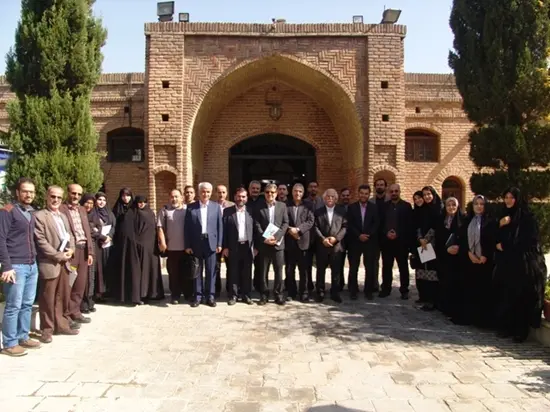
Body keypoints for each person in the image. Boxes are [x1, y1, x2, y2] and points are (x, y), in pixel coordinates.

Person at [493, 188, 547, 342]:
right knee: (507, 295)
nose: (508, 200)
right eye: (506, 197)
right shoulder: (503, 215)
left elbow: (529, 240)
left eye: (511, 197)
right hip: (506, 263)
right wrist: (499, 226)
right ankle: (507, 327)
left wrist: (506, 245)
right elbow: (492, 235)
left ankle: (520, 331)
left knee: (521, 296)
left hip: (523, 264)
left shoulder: (527, 218)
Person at [0, 178, 41, 356]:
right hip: (15, 266)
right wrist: (6, 266)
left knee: (26, 304)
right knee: (13, 306)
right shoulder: (8, 211)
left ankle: (22, 336)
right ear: (17, 192)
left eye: (31, 191)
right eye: (25, 191)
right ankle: (9, 343)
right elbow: (1, 239)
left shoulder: (31, 212)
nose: (29, 194)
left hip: (31, 265)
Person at [34, 186, 78, 343]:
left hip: (65, 263)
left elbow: (70, 235)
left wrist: (71, 249)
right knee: (47, 298)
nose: (56, 200)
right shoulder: (40, 216)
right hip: (50, 263)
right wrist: (59, 256)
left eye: (59, 197)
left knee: (62, 296)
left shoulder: (63, 216)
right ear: (47, 196)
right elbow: (41, 241)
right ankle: (47, 329)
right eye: (53, 196)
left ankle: (62, 325)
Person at [458, 195, 496, 326]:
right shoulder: (467, 220)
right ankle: (470, 317)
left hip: (485, 261)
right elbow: (462, 239)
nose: (479, 206)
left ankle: (482, 320)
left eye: (482, 204)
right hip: (470, 260)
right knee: (470, 289)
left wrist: (485, 255)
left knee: (483, 291)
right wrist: (469, 253)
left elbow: (492, 240)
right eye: (476, 204)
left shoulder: (490, 222)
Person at [119, 196, 164, 305]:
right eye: (139, 202)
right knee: (136, 271)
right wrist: (135, 242)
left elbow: (153, 230)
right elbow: (127, 230)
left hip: (149, 248)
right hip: (134, 247)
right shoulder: (130, 213)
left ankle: (151, 294)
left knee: (149, 269)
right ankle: (137, 296)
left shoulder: (150, 213)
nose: (141, 204)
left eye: (143, 202)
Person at [60, 184, 94, 325]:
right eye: (73, 193)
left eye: (79, 194)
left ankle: (75, 311)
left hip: (84, 250)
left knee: (80, 284)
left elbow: (87, 231)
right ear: (68, 193)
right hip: (71, 251)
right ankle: (65, 314)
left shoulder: (82, 209)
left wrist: (90, 252)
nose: (76, 196)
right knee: (69, 284)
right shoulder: (61, 209)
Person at [185, 182, 223, 307]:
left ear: (211, 193)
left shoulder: (216, 207)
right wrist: (187, 245)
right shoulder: (191, 207)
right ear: (199, 192)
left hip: (211, 243)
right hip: (196, 243)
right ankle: (198, 296)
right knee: (197, 270)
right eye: (203, 191)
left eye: (208, 192)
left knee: (211, 271)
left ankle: (210, 296)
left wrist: (219, 243)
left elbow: (220, 226)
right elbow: (187, 228)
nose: (205, 194)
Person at [253, 183, 289, 305]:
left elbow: (285, 223)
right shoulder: (259, 207)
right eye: (267, 192)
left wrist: (277, 237)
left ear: (276, 193)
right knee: (263, 271)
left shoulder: (282, 206)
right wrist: (265, 237)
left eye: (272, 192)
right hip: (264, 244)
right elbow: (257, 223)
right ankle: (264, 294)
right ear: (264, 193)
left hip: (278, 244)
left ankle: (278, 294)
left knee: (279, 271)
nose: (270, 194)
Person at [380, 184, 413, 300]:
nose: (394, 193)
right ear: (389, 193)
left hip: (401, 242)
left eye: (396, 191)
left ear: (399, 192)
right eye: (392, 191)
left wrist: (397, 233)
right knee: (386, 267)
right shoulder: (384, 206)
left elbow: (409, 224)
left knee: (403, 267)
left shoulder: (406, 206)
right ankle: (386, 289)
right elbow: (380, 223)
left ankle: (404, 290)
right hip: (387, 242)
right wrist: (386, 233)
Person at [222, 187, 255, 305]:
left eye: (243, 196)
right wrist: (225, 247)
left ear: (247, 198)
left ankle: (246, 295)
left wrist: (255, 247)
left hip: (247, 246)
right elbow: (224, 230)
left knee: (247, 272)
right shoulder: (227, 211)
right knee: (233, 271)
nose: (241, 199)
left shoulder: (251, 211)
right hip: (233, 246)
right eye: (239, 196)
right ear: (235, 197)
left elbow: (255, 230)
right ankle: (233, 295)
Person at [314, 188, 347, 303]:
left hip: (336, 246)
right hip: (322, 245)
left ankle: (335, 292)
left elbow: (345, 227)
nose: (330, 198)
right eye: (328, 196)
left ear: (336, 199)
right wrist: (322, 239)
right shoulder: (318, 211)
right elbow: (315, 227)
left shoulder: (342, 211)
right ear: (324, 198)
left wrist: (336, 239)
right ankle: (320, 291)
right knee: (320, 270)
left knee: (336, 270)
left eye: (332, 197)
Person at [346, 185, 379, 300]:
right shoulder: (352, 207)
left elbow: (376, 223)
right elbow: (349, 224)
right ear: (358, 193)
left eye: (366, 193)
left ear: (369, 195)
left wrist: (367, 235)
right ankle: (353, 290)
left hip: (369, 241)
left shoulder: (374, 207)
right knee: (353, 267)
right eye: (362, 193)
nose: (364, 195)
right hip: (355, 241)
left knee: (369, 267)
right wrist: (359, 235)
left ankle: (368, 291)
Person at [284, 183, 315, 302]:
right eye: (295, 191)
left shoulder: (309, 205)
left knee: (304, 270)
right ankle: (291, 292)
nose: (297, 193)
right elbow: (283, 221)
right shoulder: (285, 205)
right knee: (290, 270)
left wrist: (298, 230)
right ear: (292, 192)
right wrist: (290, 230)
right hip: (289, 242)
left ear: (303, 193)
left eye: (300, 191)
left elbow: (310, 221)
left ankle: (304, 292)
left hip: (303, 242)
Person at [435, 197, 464, 318]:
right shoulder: (441, 220)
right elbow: (438, 238)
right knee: (444, 281)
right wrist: (445, 249)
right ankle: (444, 306)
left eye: (454, 205)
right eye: (448, 205)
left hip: (457, 258)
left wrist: (458, 247)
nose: (451, 207)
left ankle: (453, 308)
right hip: (443, 256)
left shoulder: (463, 220)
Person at [158, 189, 188, 304]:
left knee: (185, 272)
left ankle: (187, 293)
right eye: (172, 197)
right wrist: (162, 242)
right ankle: (175, 295)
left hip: (186, 248)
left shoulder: (187, 210)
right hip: (171, 248)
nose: (174, 199)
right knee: (173, 273)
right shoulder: (165, 210)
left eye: (176, 196)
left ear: (182, 198)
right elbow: (160, 227)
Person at [410, 191, 439, 311]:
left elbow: (434, 226)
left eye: (419, 198)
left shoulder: (431, 211)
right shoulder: (417, 212)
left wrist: (425, 239)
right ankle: (422, 296)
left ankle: (430, 300)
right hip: (419, 244)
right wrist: (420, 239)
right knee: (420, 271)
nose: (418, 200)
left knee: (429, 272)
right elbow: (416, 227)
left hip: (429, 245)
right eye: (415, 199)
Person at [89, 192, 115, 302]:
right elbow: (91, 228)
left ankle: (106, 291)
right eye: (99, 200)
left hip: (107, 245)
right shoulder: (92, 213)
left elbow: (113, 226)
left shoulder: (109, 213)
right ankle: (97, 293)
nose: (101, 202)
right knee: (98, 268)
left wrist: (110, 236)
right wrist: (102, 237)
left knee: (106, 267)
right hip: (97, 245)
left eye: (104, 200)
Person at [79, 193, 97, 314]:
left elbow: (97, 228)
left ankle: (89, 300)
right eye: (87, 202)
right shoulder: (79, 214)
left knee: (91, 275)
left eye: (91, 203)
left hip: (92, 248)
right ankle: (82, 303)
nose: (89, 205)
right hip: (81, 248)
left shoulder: (94, 215)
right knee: (82, 276)